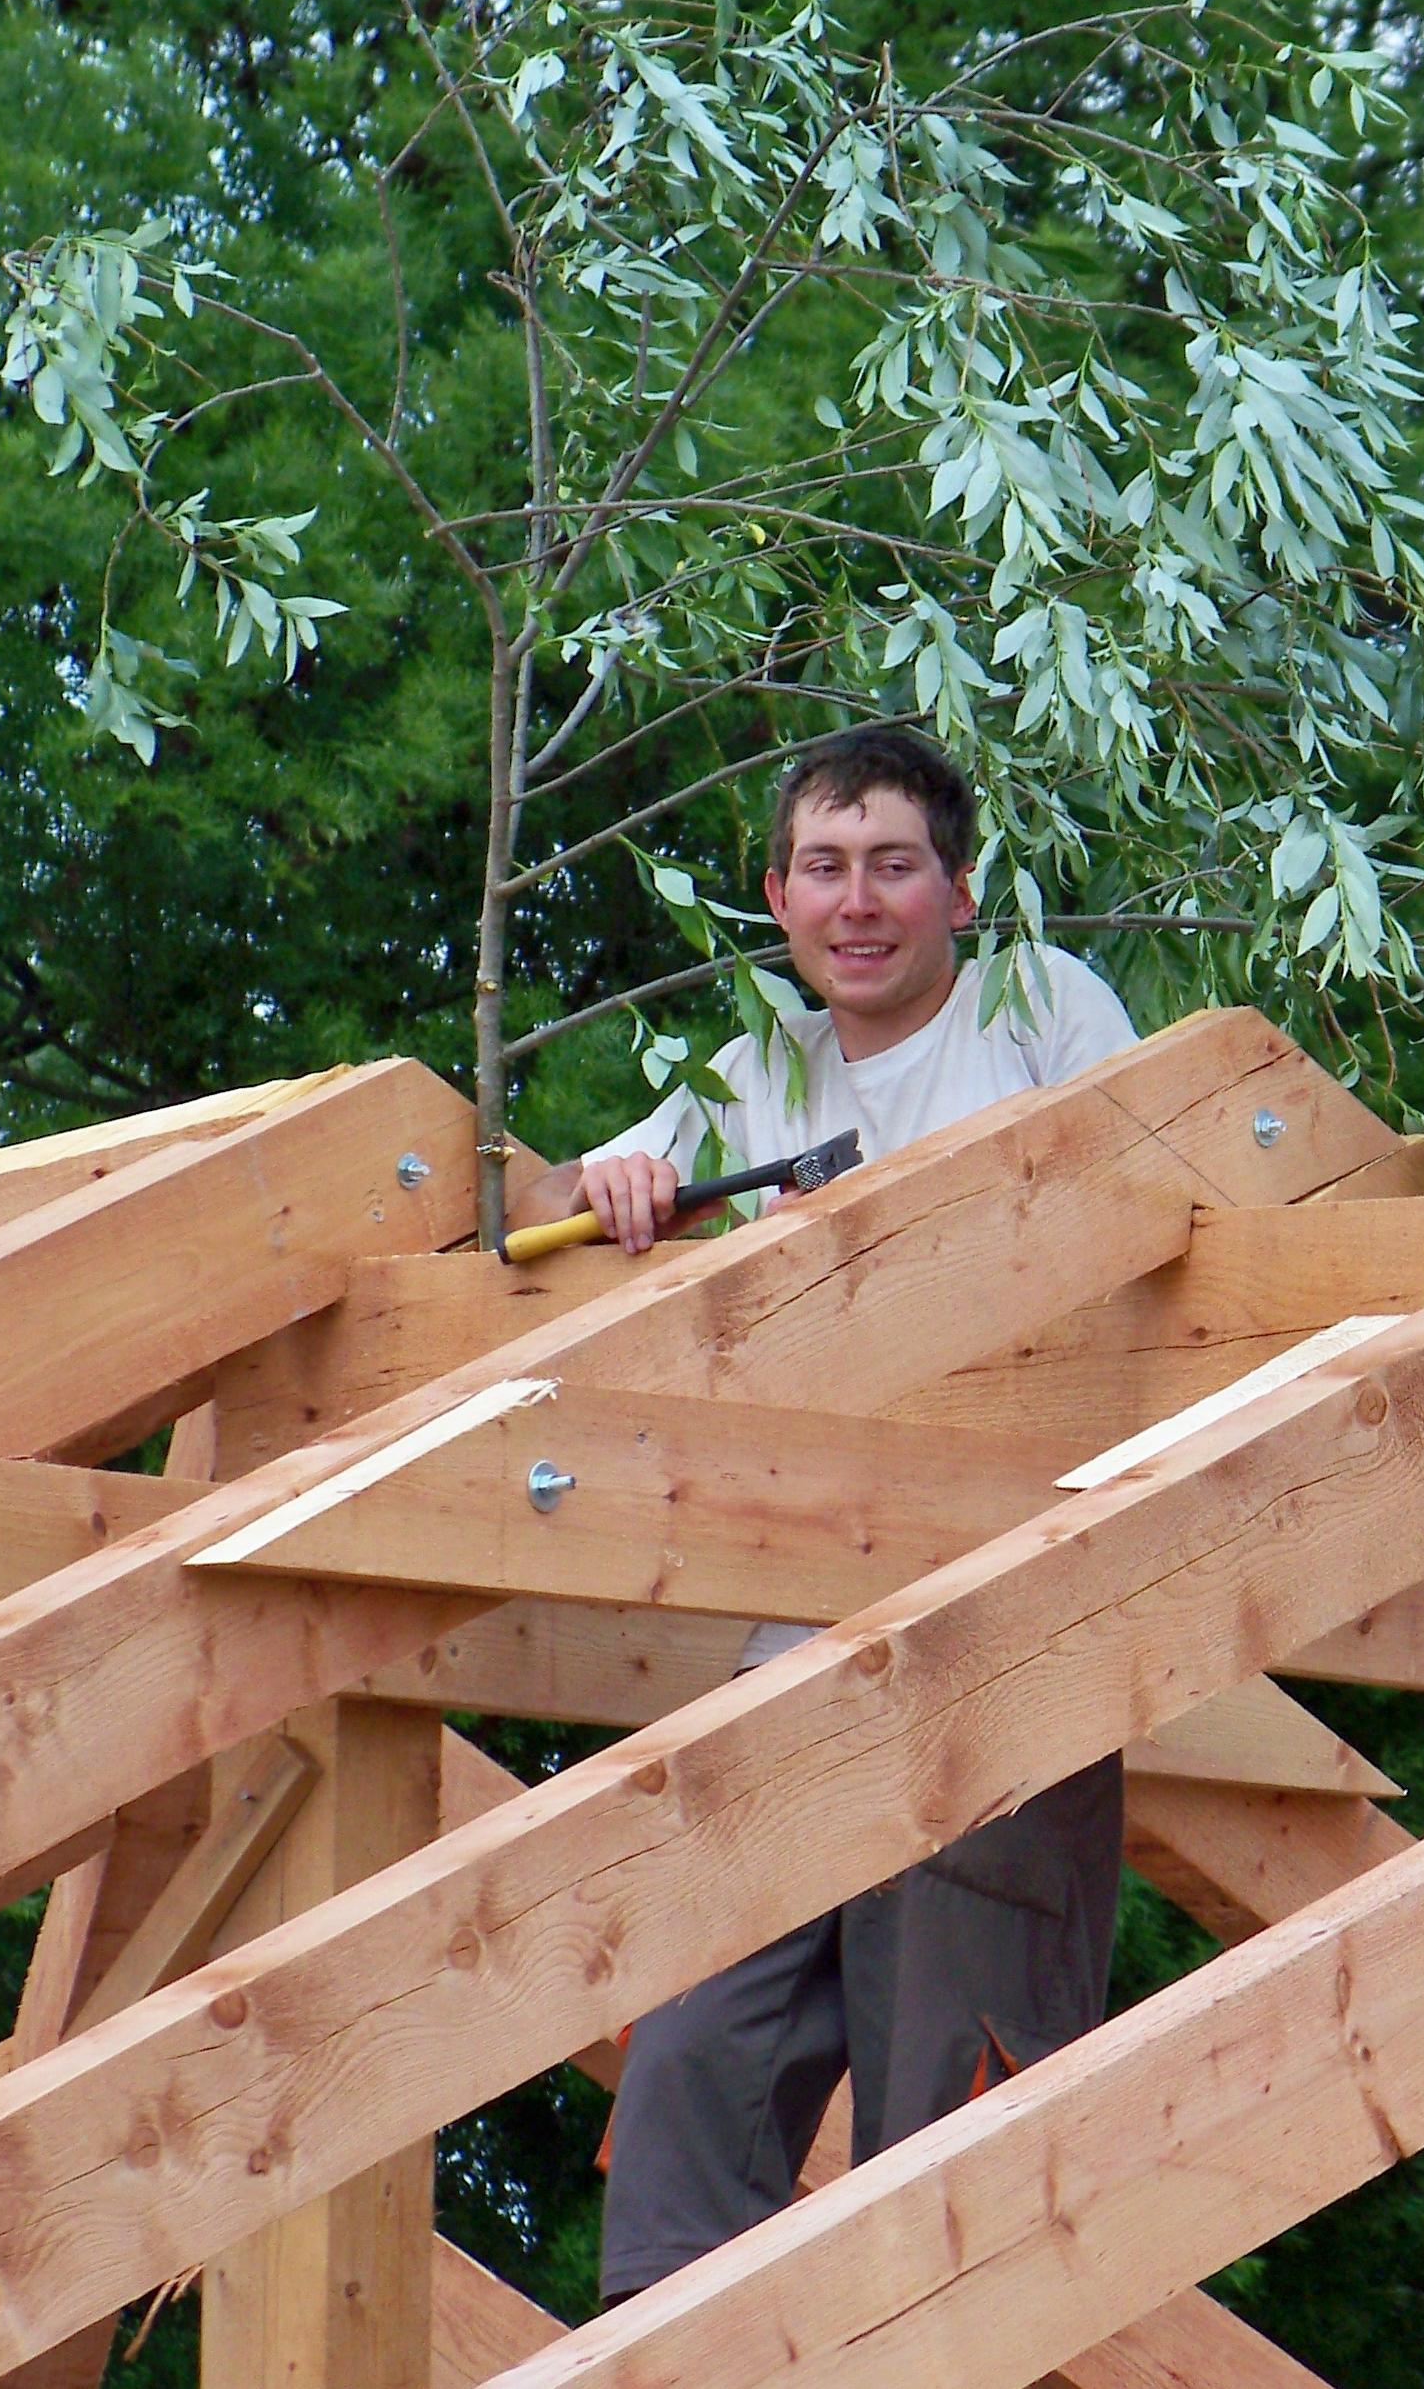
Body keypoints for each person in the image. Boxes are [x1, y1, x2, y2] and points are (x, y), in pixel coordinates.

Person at [512, 723, 1142, 2307]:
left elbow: (1161, 1222)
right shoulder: (756, 1070)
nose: (856, 903)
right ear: (779, 898)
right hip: (787, 1666)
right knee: (682, 2112)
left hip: (998, 1658)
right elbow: (568, 1223)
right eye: (822, 868)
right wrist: (622, 1198)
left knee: (945, 2157)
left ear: (961, 890)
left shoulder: (1044, 1015)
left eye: (893, 865)